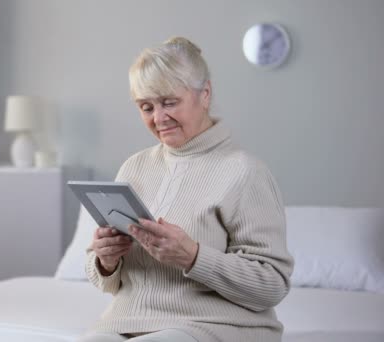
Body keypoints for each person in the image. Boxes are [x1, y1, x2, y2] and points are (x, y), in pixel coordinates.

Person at [79, 37, 294, 342]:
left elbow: (272, 285)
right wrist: (105, 260)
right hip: (123, 323)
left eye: (169, 102)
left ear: (204, 94)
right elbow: (106, 281)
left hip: (212, 326)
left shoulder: (245, 171)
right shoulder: (134, 167)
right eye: (146, 106)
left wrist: (192, 256)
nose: (158, 118)